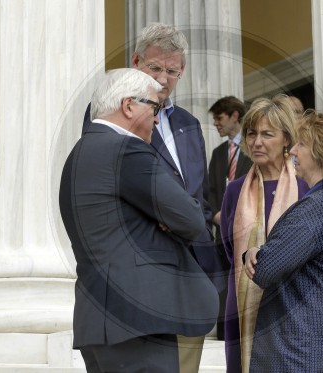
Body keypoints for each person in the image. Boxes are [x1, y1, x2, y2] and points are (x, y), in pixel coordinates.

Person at [82, 23, 222, 372]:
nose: (163, 78)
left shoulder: (190, 124)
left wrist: (195, 236)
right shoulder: (112, 113)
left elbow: (200, 199)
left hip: (191, 271)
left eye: (171, 70)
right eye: (155, 68)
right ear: (136, 61)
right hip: (144, 278)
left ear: (182, 71)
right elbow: (108, 183)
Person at [244, 111, 323, 372]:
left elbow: (265, 269)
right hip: (314, 342)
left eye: (302, 143)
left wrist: (253, 252)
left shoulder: (320, 205)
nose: (292, 150)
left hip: (302, 348)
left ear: (322, 152)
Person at [220, 94, 309, 372]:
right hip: (242, 305)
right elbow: (226, 246)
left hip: (294, 305)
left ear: (286, 139)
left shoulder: (306, 187)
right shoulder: (234, 190)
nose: (256, 142)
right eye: (251, 133)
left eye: (267, 134)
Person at [207, 96, 253, 340]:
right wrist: (218, 215)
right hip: (220, 233)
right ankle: (225, 333)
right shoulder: (217, 153)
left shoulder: (253, 148)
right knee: (222, 285)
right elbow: (210, 190)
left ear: (235, 116)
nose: (216, 123)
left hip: (248, 232)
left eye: (219, 117)